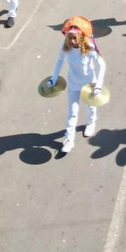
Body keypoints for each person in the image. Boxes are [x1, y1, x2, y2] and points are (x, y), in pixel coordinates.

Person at [48, 17, 106, 154]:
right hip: (73, 83)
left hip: (88, 84)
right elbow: (59, 62)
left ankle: (91, 122)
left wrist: (98, 85)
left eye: (75, 38)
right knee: (72, 112)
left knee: (91, 106)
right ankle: (69, 139)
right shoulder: (65, 47)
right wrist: (53, 78)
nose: (73, 41)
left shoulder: (89, 48)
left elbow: (102, 65)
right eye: (71, 38)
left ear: (81, 37)